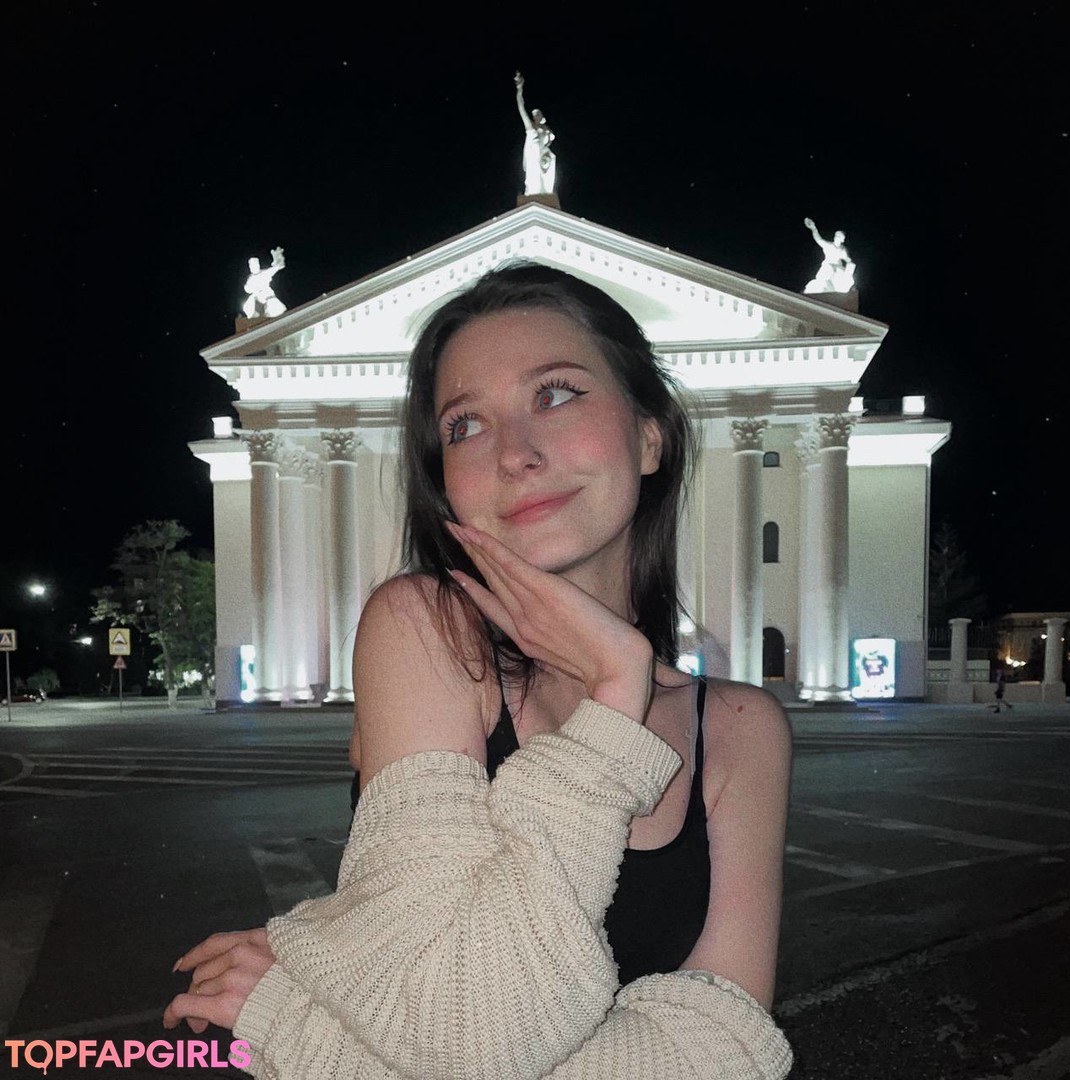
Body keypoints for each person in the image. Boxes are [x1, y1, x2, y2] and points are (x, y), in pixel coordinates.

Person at [163, 263, 794, 1078]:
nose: (514, 454)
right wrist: (615, 692)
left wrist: (308, 1032)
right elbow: (471, 1036)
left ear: (650, 436)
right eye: (465, 425)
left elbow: (725, 1048)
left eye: (556, 394)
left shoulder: (741, 729)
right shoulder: (423, 630)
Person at [515, 71, 556, 195]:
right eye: (534, 115)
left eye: (537, 114)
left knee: (545, 182)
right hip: (533, 153)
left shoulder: (546, 129)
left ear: (541, 116)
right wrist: (519, 90)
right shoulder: (531, 127)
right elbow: (521, 108)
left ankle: (545, 196)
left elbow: (550, 140)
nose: (535, 116)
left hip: (543, 155)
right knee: (534, 181)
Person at [803, 217, 855, 294]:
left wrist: (850, 266)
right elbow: (819, 240)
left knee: (845, 280)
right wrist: (814, 229)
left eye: (840, 237)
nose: (838, 238)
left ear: (843, 239)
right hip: (829, 266)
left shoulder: (843, 249)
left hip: (838, 268)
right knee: (828, 271)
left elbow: (848, 260)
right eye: (837, 236)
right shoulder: (829, 246)